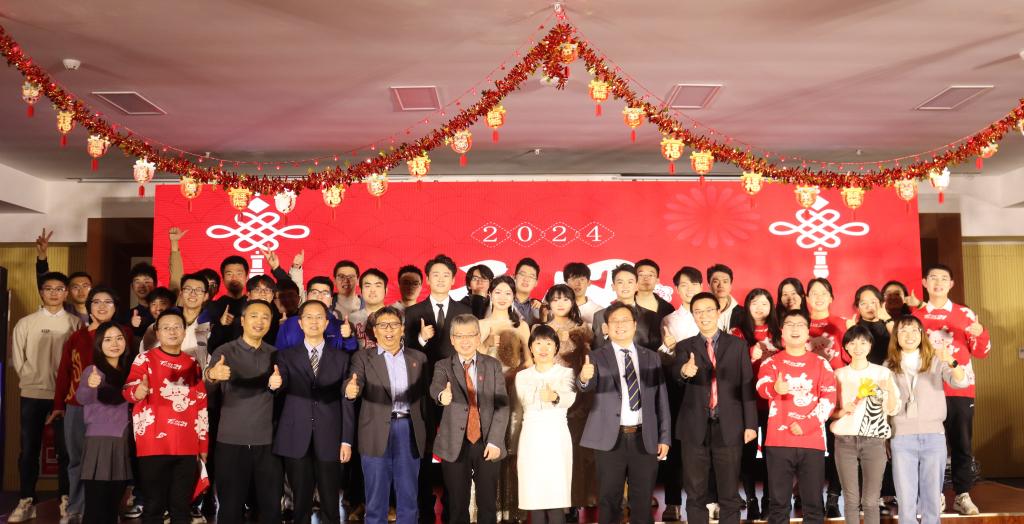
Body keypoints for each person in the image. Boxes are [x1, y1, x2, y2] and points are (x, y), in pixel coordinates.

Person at [578, 302, 671, 524]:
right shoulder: (596, 357)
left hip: (644, 437)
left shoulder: (651, 357)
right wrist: (583, 378)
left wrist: (664, 437)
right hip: (610, 439)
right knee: (609, 500)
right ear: (606, 327)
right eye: (614, 321)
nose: (620, 325)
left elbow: (661, 400)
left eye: (625, 320)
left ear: (635, 324)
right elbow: (586, 389)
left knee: (642, 501)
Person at [912, 263, 990, 515]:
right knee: (929, 444)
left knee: (961, 444)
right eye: (933, 278)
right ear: (924, 283)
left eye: (944, 278)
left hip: (960, 389)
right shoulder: (916, 316)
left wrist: (981, 332)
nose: (938, 282)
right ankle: (933, 494)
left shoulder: (965, 314)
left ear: (951, 284)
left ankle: (962, 494)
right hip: (928, 389)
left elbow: (981, 352)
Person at [675, 292, 758, 524]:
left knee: (729, 492)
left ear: (718, 312)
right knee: (695, 492)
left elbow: (747, 386)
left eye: (709, 310)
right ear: (692, 316)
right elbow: (676, 377)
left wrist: (751, 424)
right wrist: (684, 372)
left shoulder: (738, 345)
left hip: (729, 426)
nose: (704, 316)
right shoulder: (685, 346)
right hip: (694, 428)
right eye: (698, 312)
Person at [270, 299, 355, 524]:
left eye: (319, 317)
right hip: (295, 436)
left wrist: (346, 440)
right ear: (300, 323)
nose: (314, 322)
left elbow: (346, 401)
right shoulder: (285, 356)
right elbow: (280, 384)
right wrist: (274, 384)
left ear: (327, 323)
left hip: (330, 437)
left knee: (330, 503)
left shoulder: (341, 358)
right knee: (300, 504)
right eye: (308, 317)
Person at [345, 307, 431, 524]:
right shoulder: (363, 357)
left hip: (409, 430)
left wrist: (429, 434)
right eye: (383, 325)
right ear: (374, 331)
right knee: (375, 498)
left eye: (394, 325)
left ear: (402, 329)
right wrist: (350, 390)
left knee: (409, 495)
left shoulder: (418, 358)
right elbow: (354, 381)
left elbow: (425, 401)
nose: (389, 330)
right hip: (374, 430)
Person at [52, 286, 130, 524]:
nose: (102, 306)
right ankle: (76, 507)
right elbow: (64, 371)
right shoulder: (77, 337)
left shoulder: (124, 334)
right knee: (77, 458)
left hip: (112, 410)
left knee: (112, 462)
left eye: (108, 302)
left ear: (116, 307)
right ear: (89, 307)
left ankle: (108, 510)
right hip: (77, 403)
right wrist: (58, 405)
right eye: (96, 302)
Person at [9, 272, 81, 524]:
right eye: (49, 288)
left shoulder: (75, 323)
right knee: (29, 449)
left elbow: (78, 362)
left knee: (66, 450)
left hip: (64, 396)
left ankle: (66, 499)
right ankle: (26, 500)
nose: (54, 293)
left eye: (59, 288)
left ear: (66, 293)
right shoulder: (26, 323)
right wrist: (32, 380)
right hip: (32, 394)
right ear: (41, 292)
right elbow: (18, 359)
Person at [124, 310, 209, 524]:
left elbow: (201, 406)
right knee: (154, 506)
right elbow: (128, 389)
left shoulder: (193, 363)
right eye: (166, 327)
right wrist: (138, 392)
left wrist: (203, 445)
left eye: (177, 327)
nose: (172, 331)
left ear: (184, 332)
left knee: (181, 508)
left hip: (186, 445)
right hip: (152, 444)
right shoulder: (144, 359)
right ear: (157, 333)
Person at [204, 300, 283, 524]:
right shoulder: (225, 351)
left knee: (271, 509)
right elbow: (207, 388)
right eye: (254, 316)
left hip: (267, 442)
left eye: (265, 317)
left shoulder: (276, 354)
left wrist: (278, 386)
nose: (259, 321)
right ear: (242, 320)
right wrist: (212, 375)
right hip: (231, 440)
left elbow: (283, 396)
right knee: (230, 509)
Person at [756, 309, 837, 524]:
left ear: (808, 331)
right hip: (778, 441)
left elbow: (829, 400)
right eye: (789, 324)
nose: (795, 329)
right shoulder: (771, 363)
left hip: (812, 441)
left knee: (813, 505)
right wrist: (775, 388)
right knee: (778, 505)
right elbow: (761, 388)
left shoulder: (821, 363)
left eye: (800, 324)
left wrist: (807, 424)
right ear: (782, 331)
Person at [887, 314, 968, 524]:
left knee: (932, 497)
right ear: (896, 336)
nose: (909, 335)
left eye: (914, 330)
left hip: (933, 436)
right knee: (905, 498)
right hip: (901, 437)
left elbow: (962, 382)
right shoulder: (888, 365)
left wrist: (950, 359)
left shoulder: (935, 360)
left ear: (922, 334)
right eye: (903, 330)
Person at [430, 314, 510, 524]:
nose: (465, 340)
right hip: (455, 444)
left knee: (488, 504)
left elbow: (502, 404)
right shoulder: (443, 366)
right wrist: (442, 396)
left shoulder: (492, 365)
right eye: (459, 336)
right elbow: (436, 387)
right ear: (452, 339)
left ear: (478, 337)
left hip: (487, 441)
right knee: (457, 505)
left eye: (471, 335)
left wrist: (495, 441)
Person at [830, 325, 900, 524]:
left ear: (870, 345)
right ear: (846, 346)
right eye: (852, 343)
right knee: (851, 499)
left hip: (874, 441)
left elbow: (893, 409)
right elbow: (830, 412)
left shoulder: (883, 373)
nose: (858, 347)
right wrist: (844, 410)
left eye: (863, 342)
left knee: (870, 501)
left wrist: (889, 390)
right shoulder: (838, 374)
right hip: (845, 441)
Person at [543, 284, 596, 519]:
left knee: (574, 451)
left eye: (565, 299)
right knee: (551, 452)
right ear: (549, 303)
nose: (560, 303)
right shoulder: (540, 329)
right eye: (555, 299)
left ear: (573, 302)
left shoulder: (584, 329)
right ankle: (553, 500)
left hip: (576, 398)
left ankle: (573, 502)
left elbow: (588, 362)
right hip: (547, 397)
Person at [516, 325, 576, 524]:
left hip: (557, 437)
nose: (543, 348)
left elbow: (569, 398)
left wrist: (555, 396)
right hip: (531, 438)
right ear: (531, 348)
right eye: (538, 343)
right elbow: (525, 400)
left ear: (556, 347)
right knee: (535, 499)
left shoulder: (566, 373)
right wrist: (543, 395)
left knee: (556, 497)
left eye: (549, 343)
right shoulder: (522, 376)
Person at [730, 288, 781, 520]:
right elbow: (730, 366)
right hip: (746, 401)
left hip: (774, 402)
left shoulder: (780, 332)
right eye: (754, 303)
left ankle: (769, 499)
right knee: (747, 453)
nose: (759, 308)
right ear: (747, 306)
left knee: (773, 454)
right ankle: (751, 500)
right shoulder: (737, 332)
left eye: (764, 303)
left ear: (771, 307)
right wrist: (751, 353)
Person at [76, 322, 134, 524]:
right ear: (99, 344)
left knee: (113, 507)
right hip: (100, 442)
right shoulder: (93, 371)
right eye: (108, 340)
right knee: (96, 508)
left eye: (119, 338)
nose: (114, 344)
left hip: (122, 442)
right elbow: (82, 398)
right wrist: (90, 385)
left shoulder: (130, 371)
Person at [275, 277, 356, 352]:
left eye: (325, 293)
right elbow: (280, 355)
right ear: (306, 295)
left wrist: (348, 338)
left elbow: (350, 356)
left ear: (331, 300)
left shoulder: (340, 326)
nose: (320, 297)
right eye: (314, 292)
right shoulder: (289, 324)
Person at [592, 264, 662, 350]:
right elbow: (596, 350)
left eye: (630, 282)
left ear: (637, 286)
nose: (625, 286)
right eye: (620, 282)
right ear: (613, 287)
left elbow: (655, 351)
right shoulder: (599, 316)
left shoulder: (651, 317)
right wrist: (605, 335)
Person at [479, 276, 531, 365]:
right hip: (487, 373)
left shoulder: (522, 326)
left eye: (507, 293)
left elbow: (529, 361)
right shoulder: (480, 324)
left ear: (513, 296)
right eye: (498, 292)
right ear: (490, 294)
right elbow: (474, 361)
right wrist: (486, 343)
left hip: (515, 373)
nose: (502, 297)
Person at [848, 285, 892, 365]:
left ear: (881, 303)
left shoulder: (890, 324)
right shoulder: (854, 328)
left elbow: (901, 345)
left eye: (873, 302)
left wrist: (888, 320)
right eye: (863, 303)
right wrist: (852, 333)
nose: (869, 306)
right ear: (857, 308)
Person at [661, 266, 703, 350]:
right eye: (684, 285)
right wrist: (668, 348)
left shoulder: (714, 315)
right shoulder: (668, 320)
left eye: (694, 284)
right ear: (677, 289)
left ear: (701, 287)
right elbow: (665, 355)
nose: (690, 289)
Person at [349, 269, 390, 350]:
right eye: (367, 286)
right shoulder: (351, 319)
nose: (372, 290)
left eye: (378, 286)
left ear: (386, 290)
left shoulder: (397, 317)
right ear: (360, 291)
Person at [119, 262, 158, 338]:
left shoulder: (164, 310)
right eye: (137, 282)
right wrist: (132, 325)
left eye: (146, 282)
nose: (141, 286)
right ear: (132, 286)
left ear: (155, 284)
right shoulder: (127, 316)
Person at [136, 287, 178, 352]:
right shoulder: (150, 329)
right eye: (153, 304)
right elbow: (142, 353)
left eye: (163, 303)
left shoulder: (179, 328)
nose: (158, 308)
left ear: (172, 305)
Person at [706, 264, 744, 330]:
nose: (721, 285)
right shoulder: (699, 310)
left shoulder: (743, 313)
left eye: (725, 281)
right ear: (709, 285)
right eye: (715, 281)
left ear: (730, 286)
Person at [513, 258, 543, 326]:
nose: (526, 279)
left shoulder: (538, 307)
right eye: (522, 274)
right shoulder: (502, 301)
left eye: (531, 276)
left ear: (536, 283)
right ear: (514, 277)